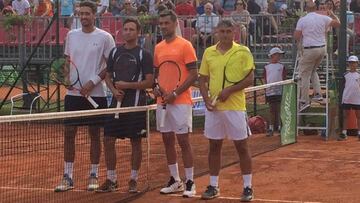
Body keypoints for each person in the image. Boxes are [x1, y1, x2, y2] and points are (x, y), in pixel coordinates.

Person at [54, 0, 116, 192]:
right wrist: (66, 77)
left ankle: (94, 174)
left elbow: (109, 65)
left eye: (87, 13)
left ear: (94, 14)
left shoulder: (105, 37)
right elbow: (68, 61)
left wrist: (93, 82)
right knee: (69, 134)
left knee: (95, 135)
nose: (83, 17)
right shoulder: (71, 36)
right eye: (81, 13)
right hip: (73, 95)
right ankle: (67, 176)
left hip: (96, 95)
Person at [95, 17, 154, 193]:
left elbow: (149, 82)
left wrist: (127, 86)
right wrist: (113, 90)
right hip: (116, 103)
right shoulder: (114, 52)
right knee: (108, 139)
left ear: (138, 33)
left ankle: (133, 179)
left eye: (131, 29)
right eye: (125, 29)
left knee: (135, 142)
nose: (127, 32)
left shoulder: (144, 54)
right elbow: (107, 75)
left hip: (135, 105)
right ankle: (112, 179)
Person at [198, 19, 254, 201]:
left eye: (228, 31)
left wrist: (229, 90)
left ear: (234, 33)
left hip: (236, 107)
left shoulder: (243, 51)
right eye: (222, 31)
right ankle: (213, 186)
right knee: (214, 146)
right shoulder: (209, 52)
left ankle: (247, 187)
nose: (225, 34)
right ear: (216, 32)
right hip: (214, 109)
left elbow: (249, 79)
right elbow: (202, 79)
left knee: (242, 147)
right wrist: (206, 100)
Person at [153, 9, 198, 198]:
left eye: (167, 23)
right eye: (161, 23)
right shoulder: (158, 47)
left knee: (183, 141)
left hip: (181, 102)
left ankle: (190, 182)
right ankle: (175, 180)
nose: (163, 26)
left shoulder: (185, 45)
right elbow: (157, 74)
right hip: (162, 102)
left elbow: (194, 74)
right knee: (167, 140)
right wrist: (156, 88)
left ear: (175, 24)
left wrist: (175, 93)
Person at [294, 0, 340, 112]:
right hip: (321, 49)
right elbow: (338, 23)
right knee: (313, 71)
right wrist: (332, 13)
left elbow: (297, 36)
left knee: (304, 75)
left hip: (310, 49)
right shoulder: (322, 18)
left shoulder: (303, 20)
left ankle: (304, 101)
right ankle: (318, 94)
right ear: (315, 8)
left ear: (305, 9)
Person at [263, 47, 286, 137]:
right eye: (278, 54)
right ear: (273, 55)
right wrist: (266, 89)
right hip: (270, 91)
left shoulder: (282, 67)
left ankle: (280, 127)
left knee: (279, 108)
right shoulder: (267, 67)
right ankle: (271, 127)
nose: (279, 56)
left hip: (279, 91)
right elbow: (265, 78)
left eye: (280, 55)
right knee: (272, 109)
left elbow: (284, 78)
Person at [338, 55, 360, 141]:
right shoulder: (345, 75)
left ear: (357, 64)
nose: (352, 64)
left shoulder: (359, 75)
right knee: (345, 116)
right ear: (348, 64)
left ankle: (359, 133)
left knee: (359, 116)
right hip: (347, 98)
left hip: (357, 99)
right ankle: (344, 133)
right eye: (351, 63)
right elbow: (344, 86)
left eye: (354, 63)